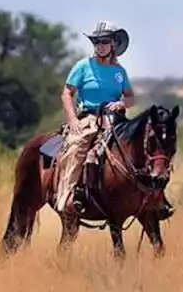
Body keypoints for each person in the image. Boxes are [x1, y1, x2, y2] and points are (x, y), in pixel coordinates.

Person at [53, 20, 174, 221]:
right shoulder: (83, 66)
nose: (100, 45)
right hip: (89, 117)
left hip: (116, 120)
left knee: (146, 149)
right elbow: (67, 94)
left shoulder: (120, 72)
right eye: (96, 41)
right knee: (76, 148)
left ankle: (156, 199)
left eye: (104, 41)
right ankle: (68, 196)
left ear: (113, 45)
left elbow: (130, 97)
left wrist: (122, 104)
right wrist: (72, 119)